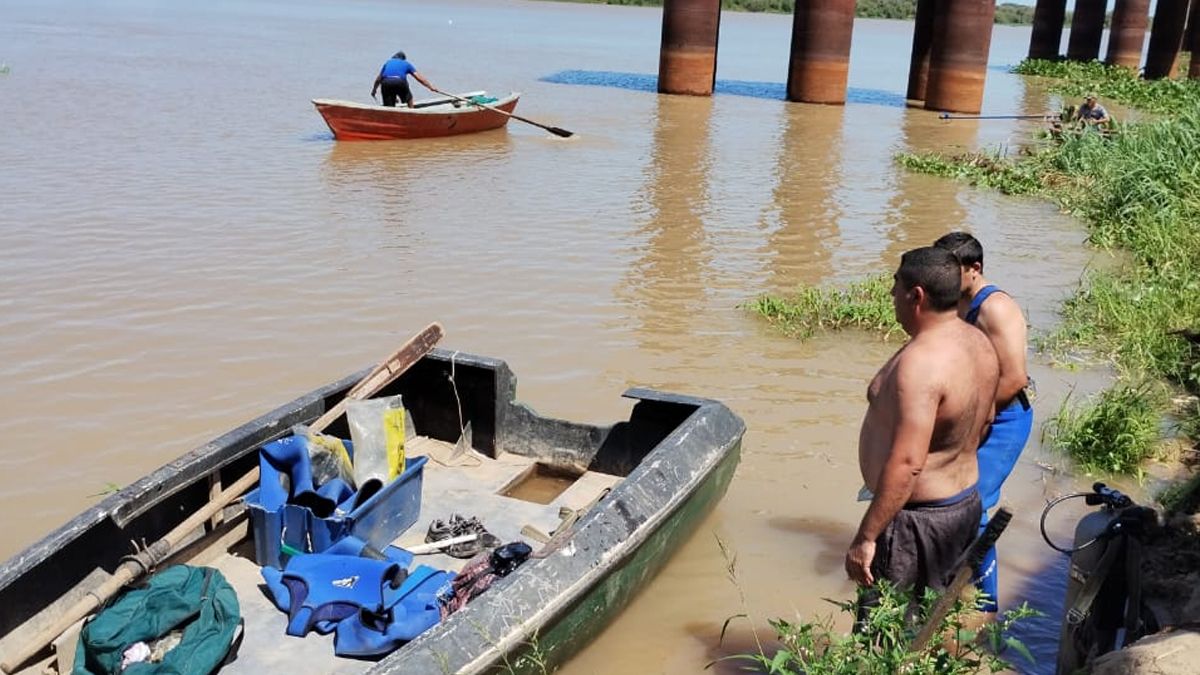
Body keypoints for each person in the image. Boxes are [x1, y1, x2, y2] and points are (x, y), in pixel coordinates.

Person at [846, 247, 999, 608]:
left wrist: (867, 537)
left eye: (896, 285)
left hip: (916, 523)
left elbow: (907, 463)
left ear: (916, 295)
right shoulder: (978, 341)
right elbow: (988, 419)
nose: (891, 293)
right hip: (962, 504)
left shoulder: (921, 365)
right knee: (933, 616)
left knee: (885, 628)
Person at [934, 232, 1034, 615]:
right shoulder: (958, 303)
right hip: (974, 415)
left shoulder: (996, 308)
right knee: (948, 502)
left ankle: (987, 606)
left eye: (951, 271)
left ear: (974, 269)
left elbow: (1015, 378)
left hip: (1004, 418)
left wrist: (975, 422)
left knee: (974, 509)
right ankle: (951, 587)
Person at [371, 51, 435, 108]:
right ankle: (411, 111)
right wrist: (430, 87)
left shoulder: (388, 62)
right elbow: (419, 78)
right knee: (409, 98)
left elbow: (378, 79)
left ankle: (390, 112)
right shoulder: (406, 63)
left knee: (389, 106)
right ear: (403, 59)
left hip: (386, 82)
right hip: (400, 81)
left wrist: (374, 90)